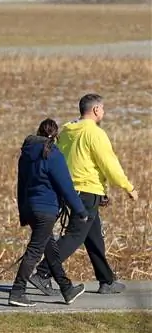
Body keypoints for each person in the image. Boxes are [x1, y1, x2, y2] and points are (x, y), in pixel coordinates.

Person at [29, 93, 139, 296]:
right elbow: (109, 163)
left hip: (73, 191)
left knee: (93, 235)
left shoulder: (68, 131)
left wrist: (101, 191)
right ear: (96, 110)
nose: (104, 112)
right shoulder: (94, 133)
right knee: (75, 236)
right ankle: (42, 273)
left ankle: (106, 280)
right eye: (103, 109)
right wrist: (128, 187)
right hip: (87, 191)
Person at [9, 118, 88, 307]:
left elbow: (22, 185)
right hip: (45, 210)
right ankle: (17, 291)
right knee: (35, 250)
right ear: (55, 135)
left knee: (50, 249)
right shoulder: (53, 155)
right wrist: (80, 211)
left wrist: (23, 212)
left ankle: (66, 289)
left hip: (31, 208)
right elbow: (66, 186)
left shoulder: (26, 154)